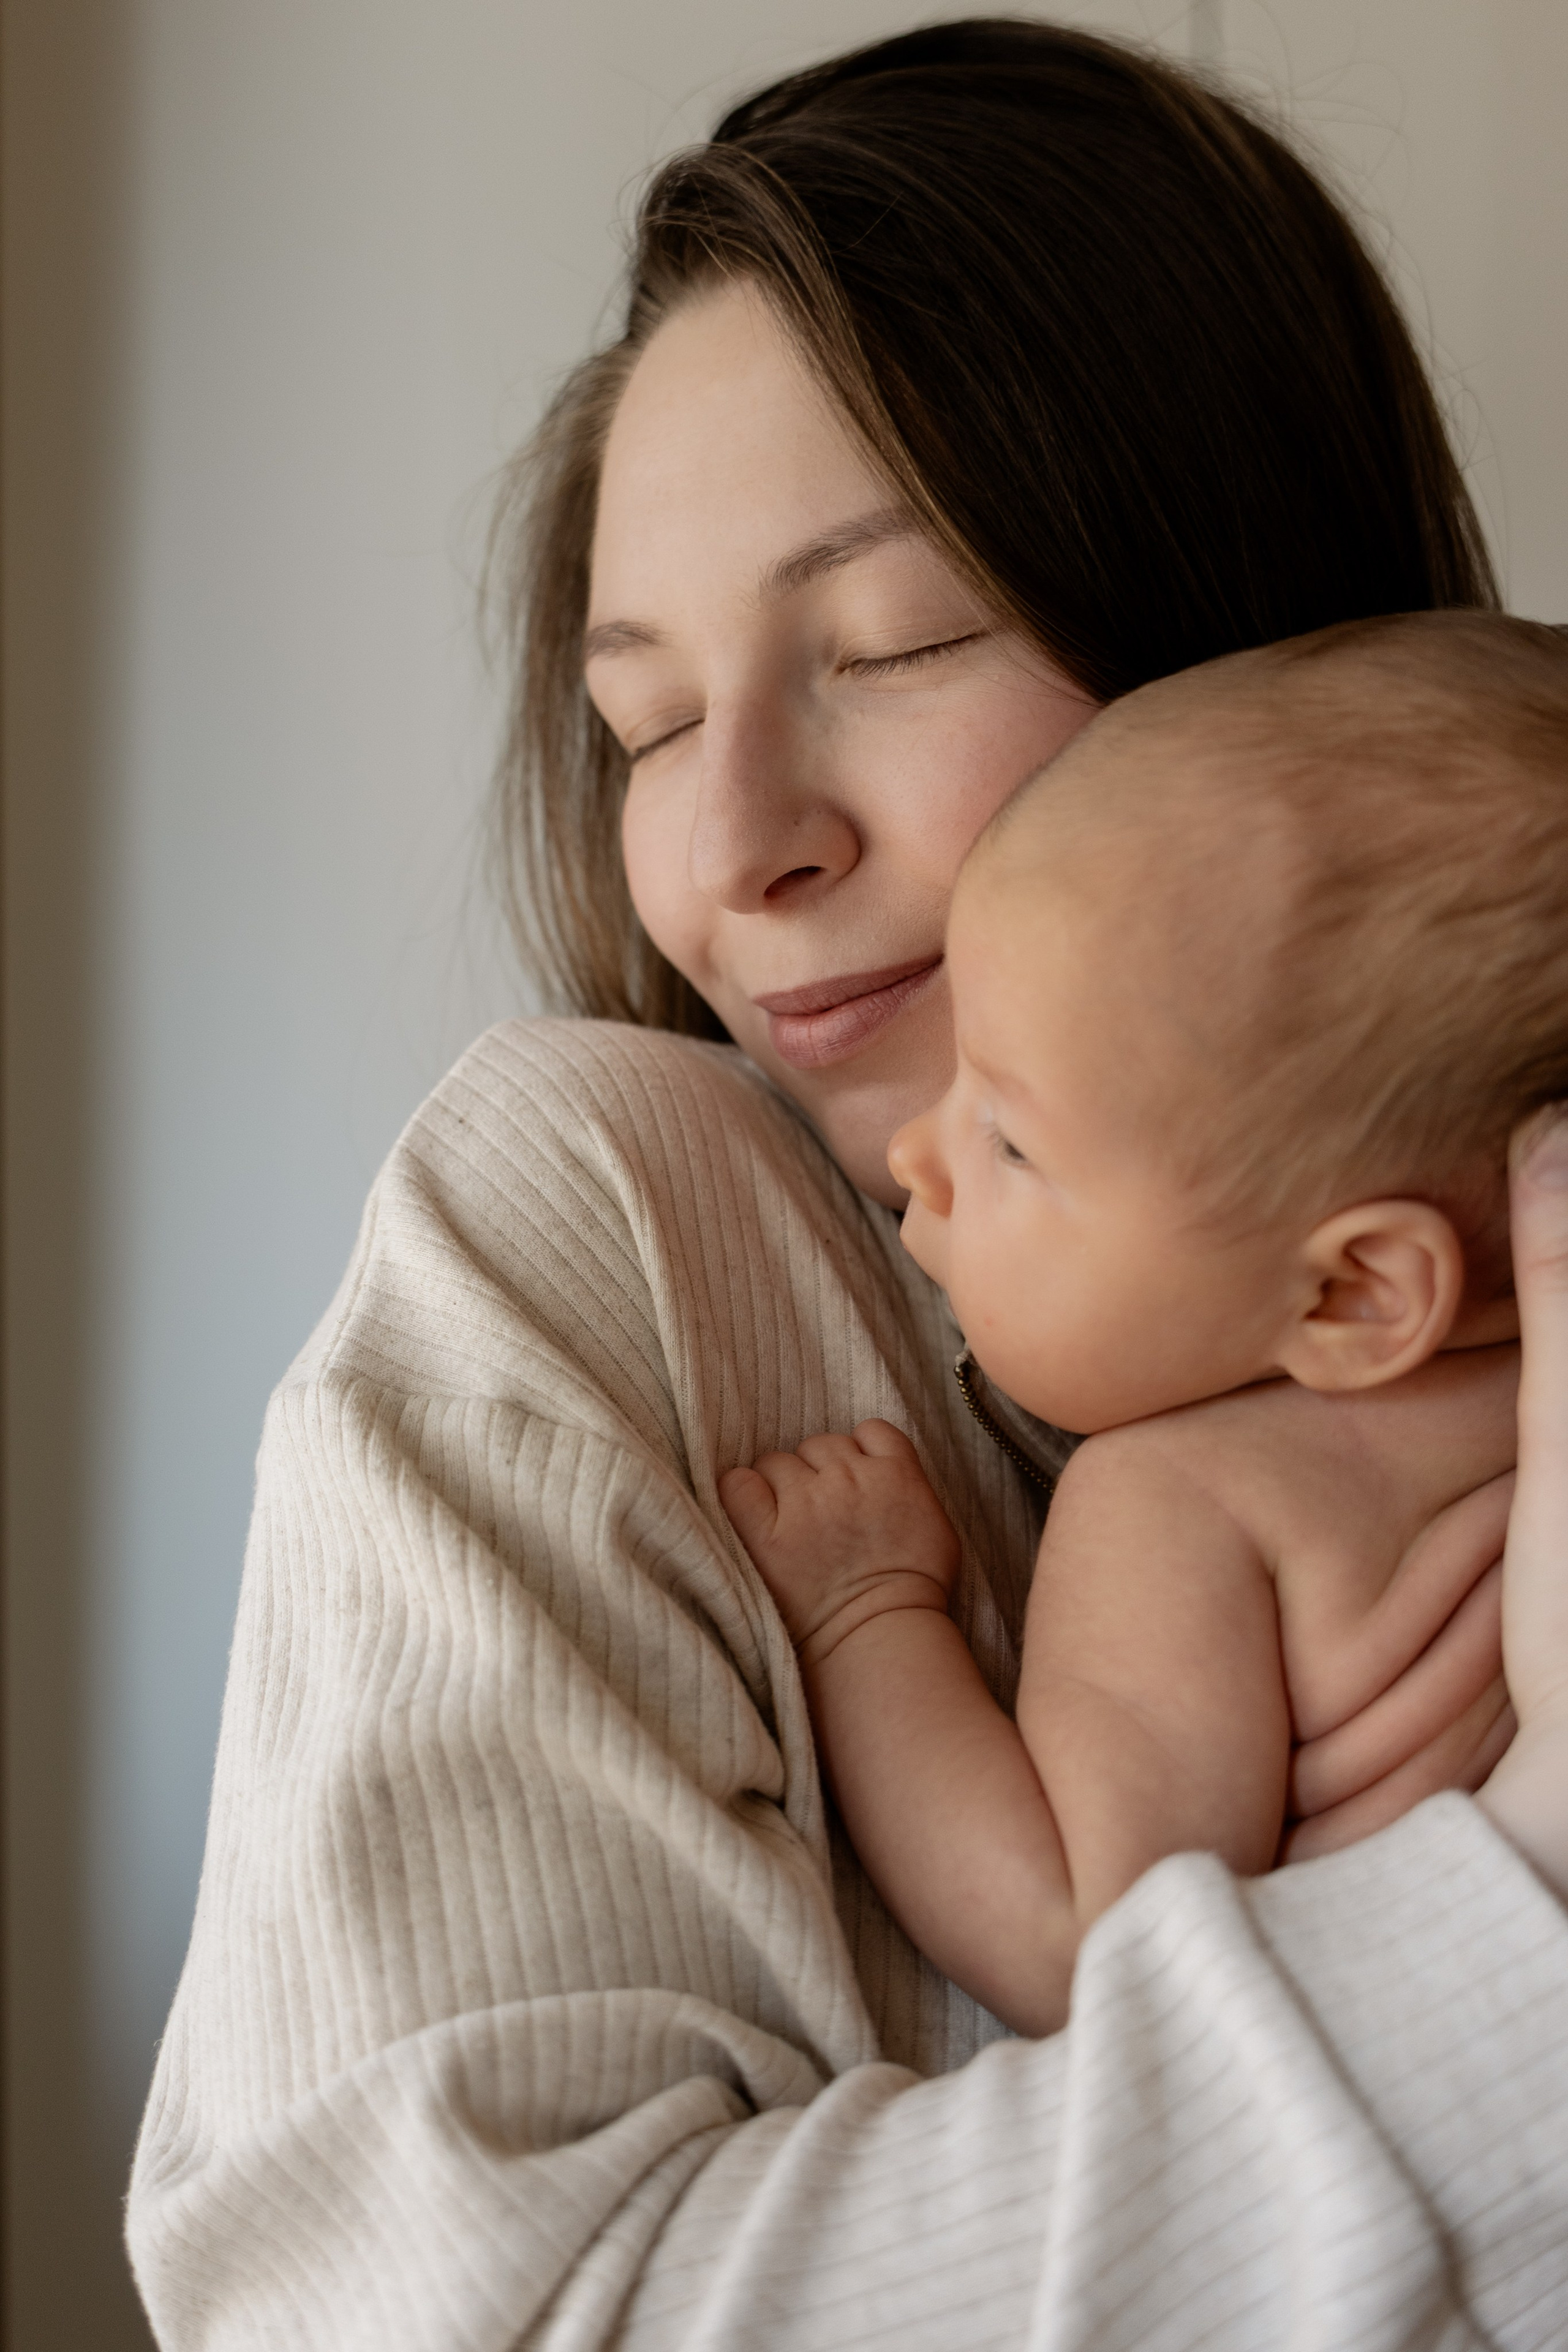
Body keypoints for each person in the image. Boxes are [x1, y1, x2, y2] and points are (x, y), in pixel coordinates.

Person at [126, 23, 1568, 2348]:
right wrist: (1516, 1929)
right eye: (646, 725)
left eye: (895, 645)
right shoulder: (600, 1214)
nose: (723, 847)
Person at [722, 610, 1565, 2040]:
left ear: (1354, 1295)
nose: (919, 1154)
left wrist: (864, 1619)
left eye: (1008, 1141)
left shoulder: (1195, 1492)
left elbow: (1084, 1941)